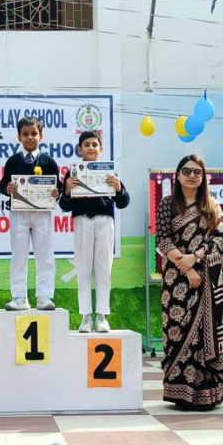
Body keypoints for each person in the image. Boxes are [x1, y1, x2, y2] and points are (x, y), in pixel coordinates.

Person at [155, 155, 223, 410]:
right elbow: (163, 241)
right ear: (177, 175)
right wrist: (187, 270)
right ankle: (180, 392)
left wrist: (195, 258)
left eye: (197, 172)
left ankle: (208, 393)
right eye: (186, 171)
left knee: (204, 334)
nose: (191, 175)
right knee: (177, 330)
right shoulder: (168, 204)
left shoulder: (212, 206)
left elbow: (219, 241)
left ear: (203, 177)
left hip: (208, 278)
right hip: (176, 279)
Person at [59, 131, 130, 332]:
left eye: (94, 144)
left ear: (101, 149)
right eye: (86, 144)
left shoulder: (110, 172)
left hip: (104, 222)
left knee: (103, 270)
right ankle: (86, 317)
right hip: (82, 221)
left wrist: (118, 189)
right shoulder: (72, 173)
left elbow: (124, 202)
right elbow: (64, 205)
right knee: (83, 269)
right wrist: (67, 191)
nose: (90, 147)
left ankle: (101, 316)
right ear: (79, 149)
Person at [0, 116, 61, 311]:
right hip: (19, 213)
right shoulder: (13, 161)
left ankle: (44, 296)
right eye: (25, 134)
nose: (30, 137)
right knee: (19, 255)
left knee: (45, 255)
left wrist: (56, 192)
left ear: (41, 136)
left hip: (42, 213)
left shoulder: (48, 161)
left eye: (34, 133)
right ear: (19, 137)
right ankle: (19, 297)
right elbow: (3, 184)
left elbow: (56, 185)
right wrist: (7, 188)